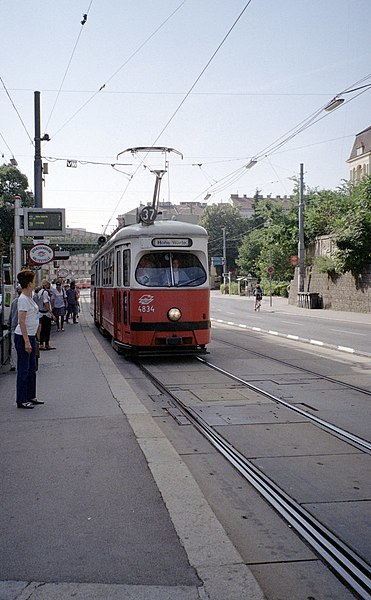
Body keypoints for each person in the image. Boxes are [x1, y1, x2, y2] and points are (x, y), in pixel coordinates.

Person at [13, 270, 44, 409]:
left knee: (32, 368)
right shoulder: (23, 300)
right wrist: (26, 341)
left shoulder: (29, 297)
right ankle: (22, 399)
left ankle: (31, 395)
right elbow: (22, 321)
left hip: (30, 336)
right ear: (29, 283)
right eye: (33, 281)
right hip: (23, 337)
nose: (35, 283)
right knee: (24, 369)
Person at [38, 279, 56, 349]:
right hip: (46, 314)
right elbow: (46, 303)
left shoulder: (40, 292)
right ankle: (46, 344)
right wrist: (52, 314)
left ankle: (41, 344)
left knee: (42, 329)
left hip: (41, 313)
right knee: (47, 329)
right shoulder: (45, 292)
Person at [8, 286, 22, 371]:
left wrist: (9, 324)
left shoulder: (14, 302)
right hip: (20, 327)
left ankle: (14, 364)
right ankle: (18, 364)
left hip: (14, 326)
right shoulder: (25, 301)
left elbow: (11, 315)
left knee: (14, 347)